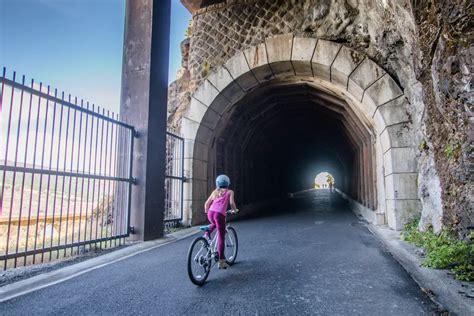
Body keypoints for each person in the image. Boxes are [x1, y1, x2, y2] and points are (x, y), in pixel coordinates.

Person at [204, 174, 238, 269]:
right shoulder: (230, 192)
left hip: (211, 213)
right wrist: (234, 210)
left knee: (214, 223)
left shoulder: (215, 192)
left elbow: (206, 204)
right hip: (219, 215)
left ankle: (207, 233)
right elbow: (231, 203)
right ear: (228, 183)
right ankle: (221, 261)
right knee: (221, 238)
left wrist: (207, 212)